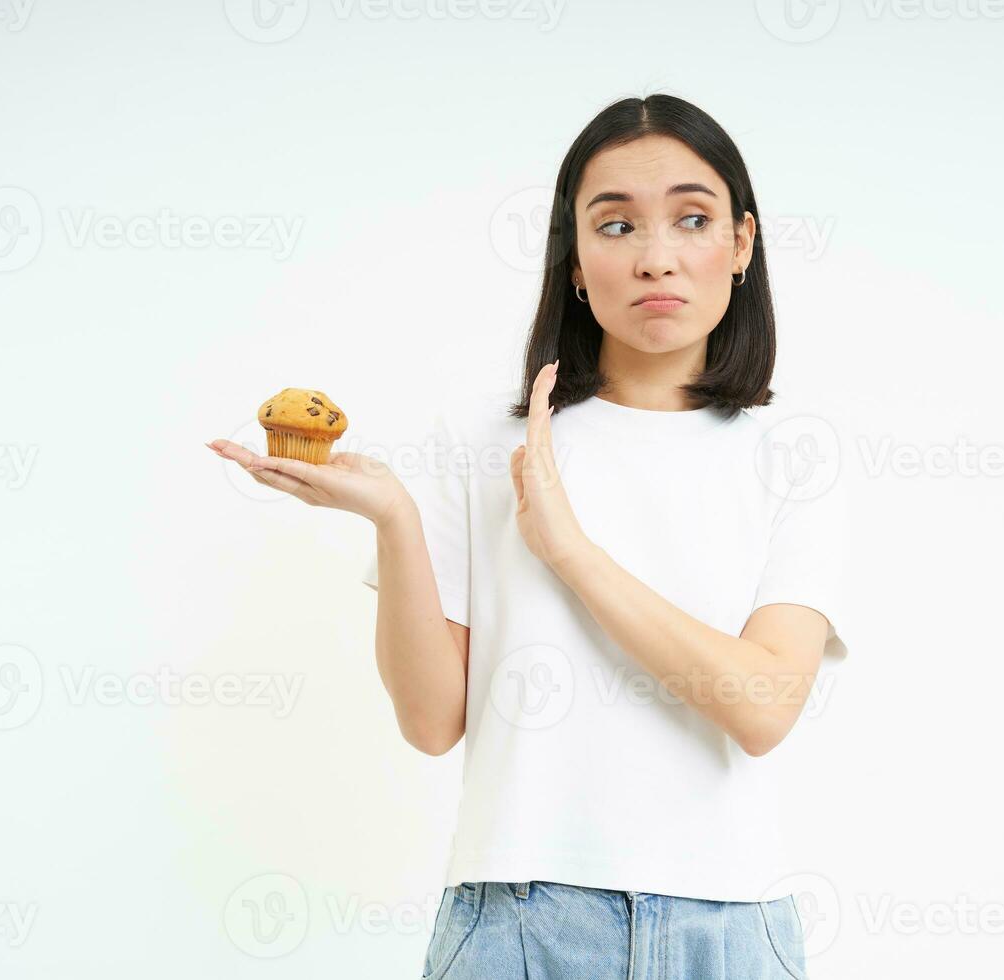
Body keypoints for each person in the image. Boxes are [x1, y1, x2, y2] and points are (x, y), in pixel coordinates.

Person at [209, 92, 846, 980]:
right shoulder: (480, 439)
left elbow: (762, 705)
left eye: (692, 220)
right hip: (515, 923)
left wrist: (570, 552)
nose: (657, 257)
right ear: (576, 263)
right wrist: (395, 520)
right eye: (615, 226)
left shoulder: (794, 457)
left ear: (741, 243)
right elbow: (433, 722)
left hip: (727, 926)